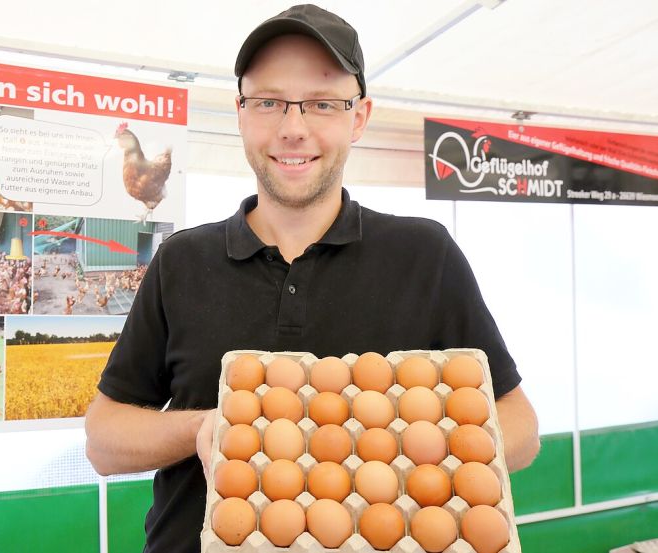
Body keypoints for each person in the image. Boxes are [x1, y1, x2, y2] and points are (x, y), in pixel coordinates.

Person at [85, 5, 540, 553]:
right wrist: (211, 427)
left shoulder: (423, 254)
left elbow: (521, 425)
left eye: (323, 103)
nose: (293, 128)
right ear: (240, 113)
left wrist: (414, 445)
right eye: (269, 101)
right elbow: (102, 441)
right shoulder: (181, 260)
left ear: (360, 116)